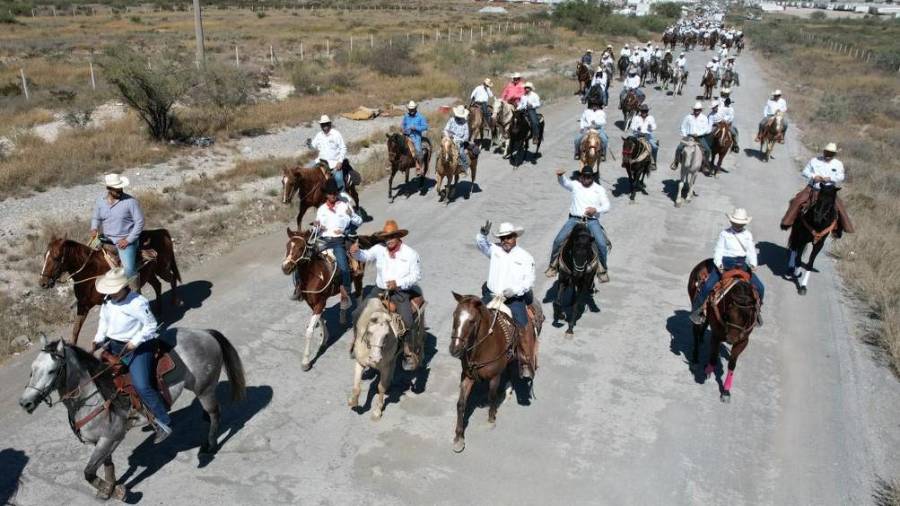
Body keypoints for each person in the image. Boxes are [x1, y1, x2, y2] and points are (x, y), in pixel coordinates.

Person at [92, 268, 171, 443]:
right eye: (109, 291)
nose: (110, 294)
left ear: (123, 287)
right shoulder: (108, 302)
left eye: (113, 291)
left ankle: (163, 421)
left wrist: (135, 341)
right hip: (114, 344)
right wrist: (98, 339)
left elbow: (151, 325)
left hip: (139, 347)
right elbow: (103, 322)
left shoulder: (137, 302)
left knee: (141, 384)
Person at [475, 221, 537, 378]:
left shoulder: (525, 257)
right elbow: (481, 244)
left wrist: (514, 291)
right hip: (491, 295)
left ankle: (525, 362)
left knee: (522, 326)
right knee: (472, 316)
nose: (505, 241)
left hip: (512, 299)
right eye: (502, 238)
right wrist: (482, 234)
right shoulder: (495, 250)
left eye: (508, 237)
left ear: (515, 237)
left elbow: (529, 281)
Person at [349, 220, 422, 351]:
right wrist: (356, 252)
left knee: (407, 322)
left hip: (399, 293)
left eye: (391, 236)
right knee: (356, 314)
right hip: (379, 290)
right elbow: (365, 256)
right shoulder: (379, 249)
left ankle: (408, 351)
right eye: (386, 237)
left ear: (398, 236)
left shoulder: (410, 254)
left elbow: (416, 276)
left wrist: (398, 283)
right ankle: (357, 340)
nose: (388, 240)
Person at [690, 208, 765, 326]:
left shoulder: (747, 235)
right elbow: (718, 250)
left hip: (742, 264)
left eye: (740, 223)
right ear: (732, 222)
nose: (738, 225)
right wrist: (719, 264)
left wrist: (753, 264)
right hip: (725, 263)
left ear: (744, 224)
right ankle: (697, 310)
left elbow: (751, 251)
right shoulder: (724, 234)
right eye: (736, 223)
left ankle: (757, 311)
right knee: (708, 286)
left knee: (760, 288)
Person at [292, 177, 362, 303]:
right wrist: (317, 226)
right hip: (323, 239)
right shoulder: (322, 209)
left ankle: (346, 290)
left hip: (337, 240)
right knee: (302, 257)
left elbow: (359, 221)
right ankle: (298, 287)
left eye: (335, 192)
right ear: (326, 194)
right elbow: (317, 229)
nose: (333, 195)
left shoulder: (345, 206)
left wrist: (351, 216)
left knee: (343, 265)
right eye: (330, 193)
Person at [545, 165, 611, 282]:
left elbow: (607, 206)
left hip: (591, 221)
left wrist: (596, 210)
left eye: (588, 176)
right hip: (574, 220)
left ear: (592, 177)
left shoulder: (599, 189)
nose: (586, 178)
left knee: (601, 244)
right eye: (584, 176)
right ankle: (553, 266)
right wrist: (560, 176)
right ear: (580, 177)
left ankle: (602, 270)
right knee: (558, 240)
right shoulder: (575, 185)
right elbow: (564, 183)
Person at [780, 143, 854, 236]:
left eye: (831, 153)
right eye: (827, 152)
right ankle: (787, 222)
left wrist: (830, 178)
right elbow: (805, 172)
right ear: (824, 151)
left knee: (840, 207)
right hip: (813, 188)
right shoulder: (815, 160)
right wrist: (814, 176)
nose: (828, 155)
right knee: (797, 200)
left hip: (828, 191)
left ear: (834, 154)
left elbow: (841, 176)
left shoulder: (838, 164)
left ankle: (838, 230)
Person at [90, 174, 145, 291]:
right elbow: (96, 218)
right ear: (108, 189)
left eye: (120, 188)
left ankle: (136, 295)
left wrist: (128, 240)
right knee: (88, 258)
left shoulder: (130, 202)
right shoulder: (100, 201)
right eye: (116, 189)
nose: (120, 190)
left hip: (125, 241)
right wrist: (94, 228)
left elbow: (140, 222)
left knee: (129, 270)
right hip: (106, 239)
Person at [307, 115, 349, 188]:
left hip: (334, 164)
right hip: (321, 163)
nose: (324, 126)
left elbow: (343, 148)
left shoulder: (336, 134)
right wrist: (309, 144)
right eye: (323, 124)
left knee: (339, 179)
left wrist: (340, 161)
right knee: (308, 174)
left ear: (329, 124)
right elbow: (313, 147)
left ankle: (342, 196)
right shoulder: (319, 135)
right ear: (320, 125)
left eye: (326, 124)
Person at [672, 102, 712, 170]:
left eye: (698, 110)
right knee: (679, 148)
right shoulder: (688, 117)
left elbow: (706, 128)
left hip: (699, 137)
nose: (696, 111)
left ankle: (706, 164)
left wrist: (698, 134)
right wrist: (685, 135)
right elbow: (683, 126)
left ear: (701, 110)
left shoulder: (704, 118)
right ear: (693, 110)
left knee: (708, 150)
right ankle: (676, 162)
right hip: (689, 136)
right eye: (695, 109)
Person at [401, 101, 429, 175]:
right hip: (406, 136)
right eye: (410, 109)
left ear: (415, 108)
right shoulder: (406, 116)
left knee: (418, 150)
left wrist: (416, 127)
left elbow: (425, 127)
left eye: (412, 109)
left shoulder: (420, 117)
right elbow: (403, 125)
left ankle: (420, 165)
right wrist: (403, 129)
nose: (411, 110)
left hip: (416, 137)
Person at [443, 105, 471, 175]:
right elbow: (446, 129)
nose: (458, 117)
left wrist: (462, 140)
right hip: (450, 139)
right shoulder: (451, 120)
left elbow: (466, 135)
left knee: (461, 153)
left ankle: (465, 167)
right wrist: (447, 136)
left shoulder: (465, 123)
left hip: (459, 141)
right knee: (442, 150)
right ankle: (438, 167)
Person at [629, 104, 659, 169]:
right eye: (642, 111)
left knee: (655, 147)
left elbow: (654, 127)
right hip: (637, 136)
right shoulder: (636, 118)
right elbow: (632, 126)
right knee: (628, 146)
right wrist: (637, 128)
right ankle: (626, 161)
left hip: (647, 136)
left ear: (647, 111)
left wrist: (651, 127)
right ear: (640, 111)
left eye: (645, 111)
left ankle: (653, 162)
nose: (644, 113)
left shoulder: (651, 118)